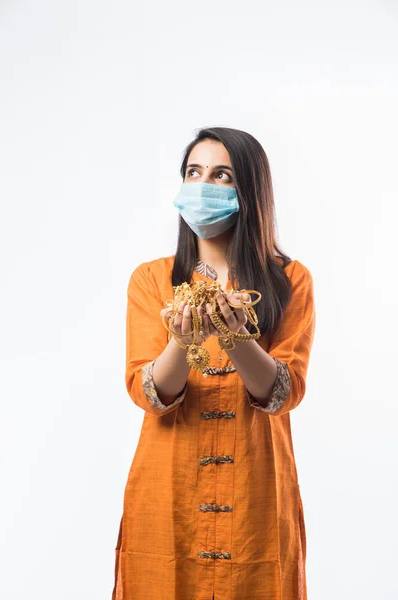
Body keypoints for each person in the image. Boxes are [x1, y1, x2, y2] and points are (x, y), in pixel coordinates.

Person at [111, 126, 316, 600]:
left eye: (221, 175)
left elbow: (285, 392)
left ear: (250, 190)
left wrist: (235, 336)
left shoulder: (289, 280)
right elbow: (147, 393)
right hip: (168, 488)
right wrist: (184, 341)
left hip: (255, 490)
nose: (203, 185)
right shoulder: (152, 279)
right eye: (193, 172)